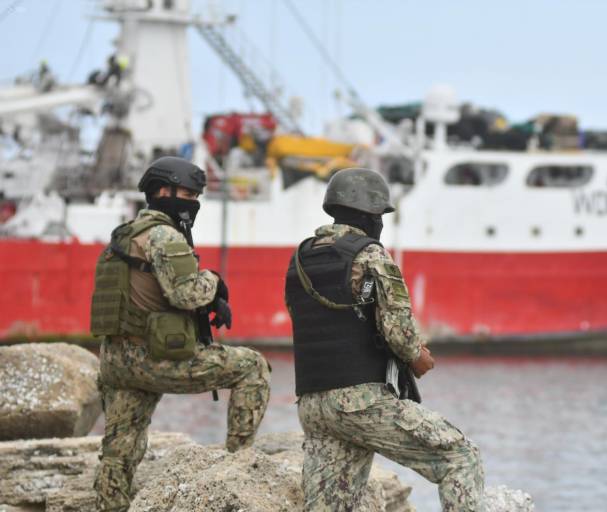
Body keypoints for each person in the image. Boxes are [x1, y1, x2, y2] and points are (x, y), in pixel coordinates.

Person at [284, 168, 484, 511]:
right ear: (369, 215)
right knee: (459, 457)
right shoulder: (370, 254)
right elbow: (398, 330)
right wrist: (417, 356)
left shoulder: (300, 258)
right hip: (361, 402)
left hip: (313, 404)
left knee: (328, 506)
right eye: (378, 216)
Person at [90, 156, 271, 512]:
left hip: (115, 362)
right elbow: (186, 293)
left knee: (119, 448)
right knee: (253, 367)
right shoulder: (164, 236)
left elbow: (147, 296)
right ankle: (238, 464)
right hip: (152, 359)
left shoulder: (121, 238)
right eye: (188, 193)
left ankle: (110, 506)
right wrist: (216, 284)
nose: (193, 201)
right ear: (163, 191)